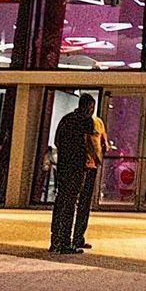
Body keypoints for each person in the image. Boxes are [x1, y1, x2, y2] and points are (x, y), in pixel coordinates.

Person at [49, 95, 97, 254]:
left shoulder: (66, 119)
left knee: (61, 200)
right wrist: (96, 158)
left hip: (63, 165)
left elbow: (57, 141)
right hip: (77, 166)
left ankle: (54, 240)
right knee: (71, 202)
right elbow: (89, 143)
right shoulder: (86, 120)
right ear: (89, 106)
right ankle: (65, 242)